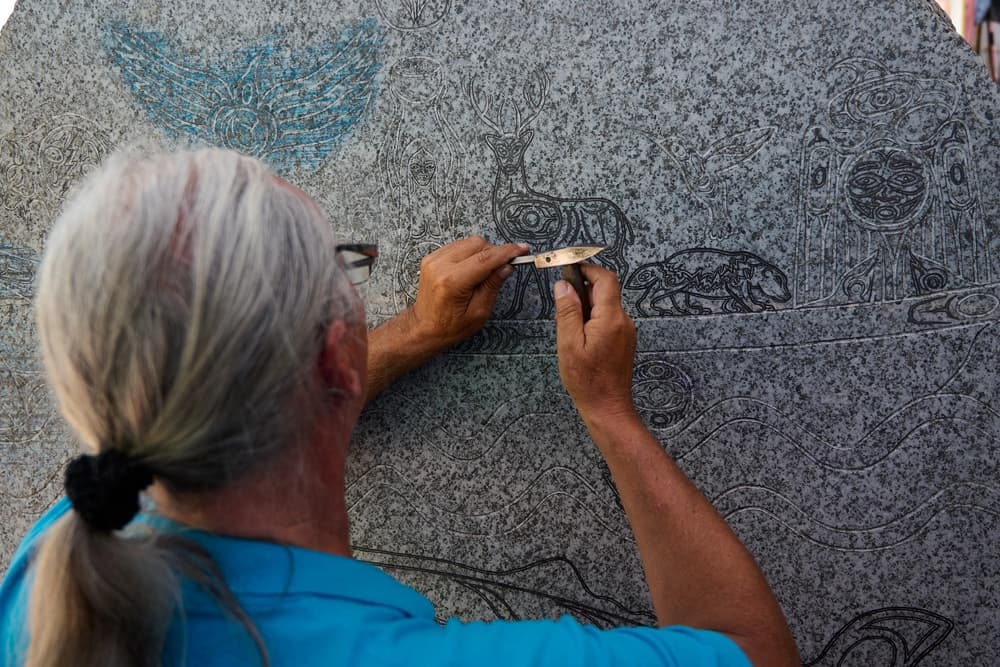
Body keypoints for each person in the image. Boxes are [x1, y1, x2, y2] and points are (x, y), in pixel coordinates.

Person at [0, 149, 799, 667]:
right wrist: (610, 411)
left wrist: (415, 330)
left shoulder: (64, 556)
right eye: (342, 262)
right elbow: (750, 651)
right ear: (330, 356)